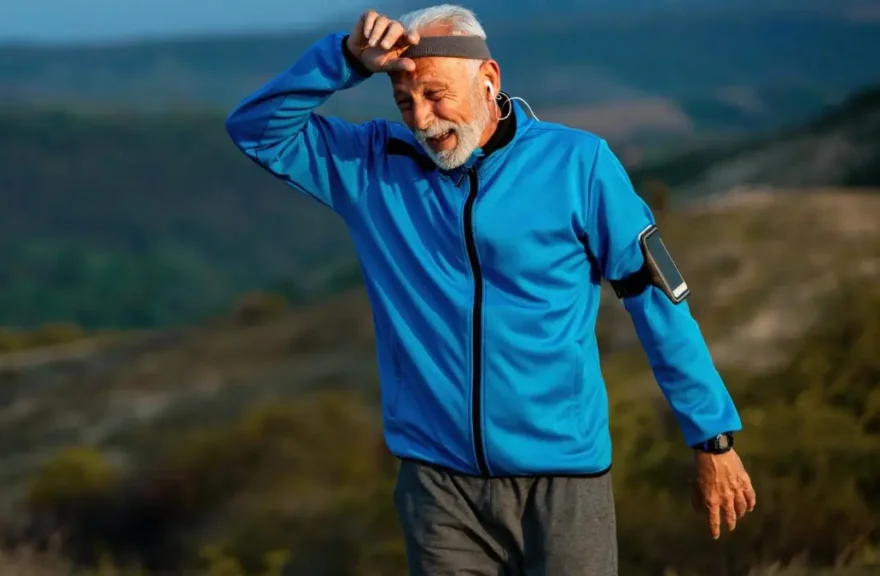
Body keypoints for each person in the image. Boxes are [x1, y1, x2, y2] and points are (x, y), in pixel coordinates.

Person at [225, 4, 756, 574]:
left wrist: (712, 438)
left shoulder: (577, 164)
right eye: (405, 101)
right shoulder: (372, 166)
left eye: (436, 95)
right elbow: (256, 129)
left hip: (564, 481)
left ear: (489, 79)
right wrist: (345, 60)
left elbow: (658, 299)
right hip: (438, 486)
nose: (423, 120)